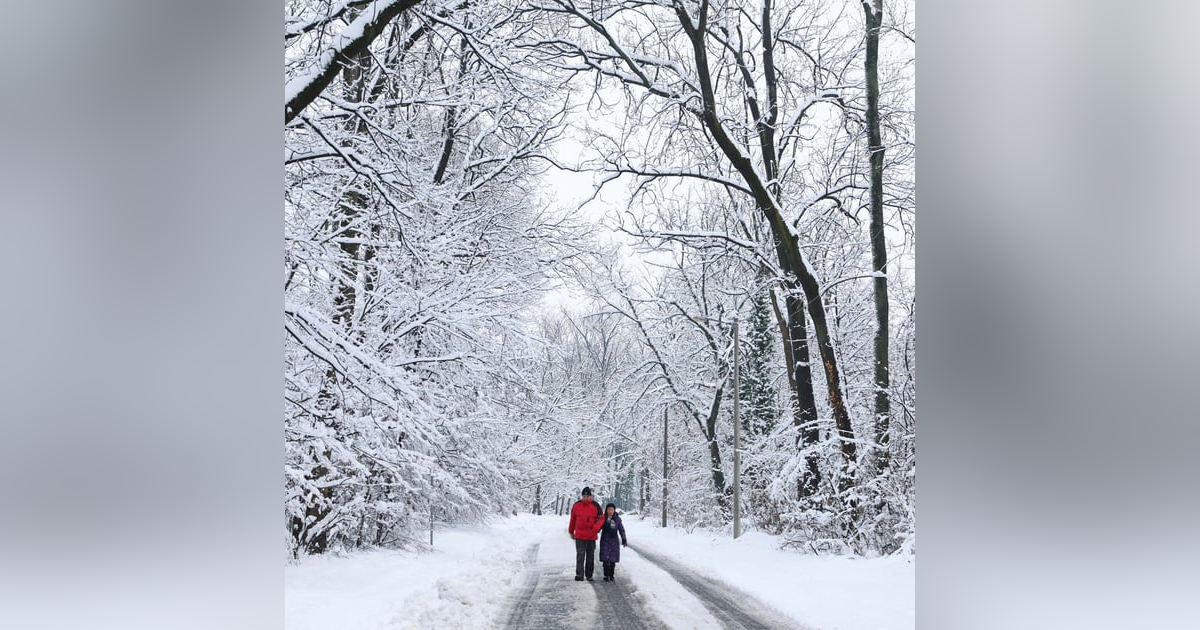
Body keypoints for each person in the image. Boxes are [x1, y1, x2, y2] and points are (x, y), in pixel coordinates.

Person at [567, 486, 604, 581]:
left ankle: (589, 575)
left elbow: (601, 518)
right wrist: (571, 531)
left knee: (590, 556)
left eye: (587, 496)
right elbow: (573, 519)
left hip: (591, 535)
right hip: (579, 535)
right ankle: (579, 575)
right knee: (580, 555)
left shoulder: (596, 505)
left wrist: (596, 528)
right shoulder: (576, 505)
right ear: (582, 496)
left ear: (590, 496)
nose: (586, 498)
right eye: (584, 496)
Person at [598, 503, 628, 581]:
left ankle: (611, 575)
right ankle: (606, 575)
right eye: (609, 509)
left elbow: (621, 530)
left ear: (614, 510)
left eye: (612, 509)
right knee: (605, 560)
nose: (610, 511)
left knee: (612, 560)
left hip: (614, 541)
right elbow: (597, 527)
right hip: (605, 540)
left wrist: (624, 539)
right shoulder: (603, 518)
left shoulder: (617, 519)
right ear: (606, 510)